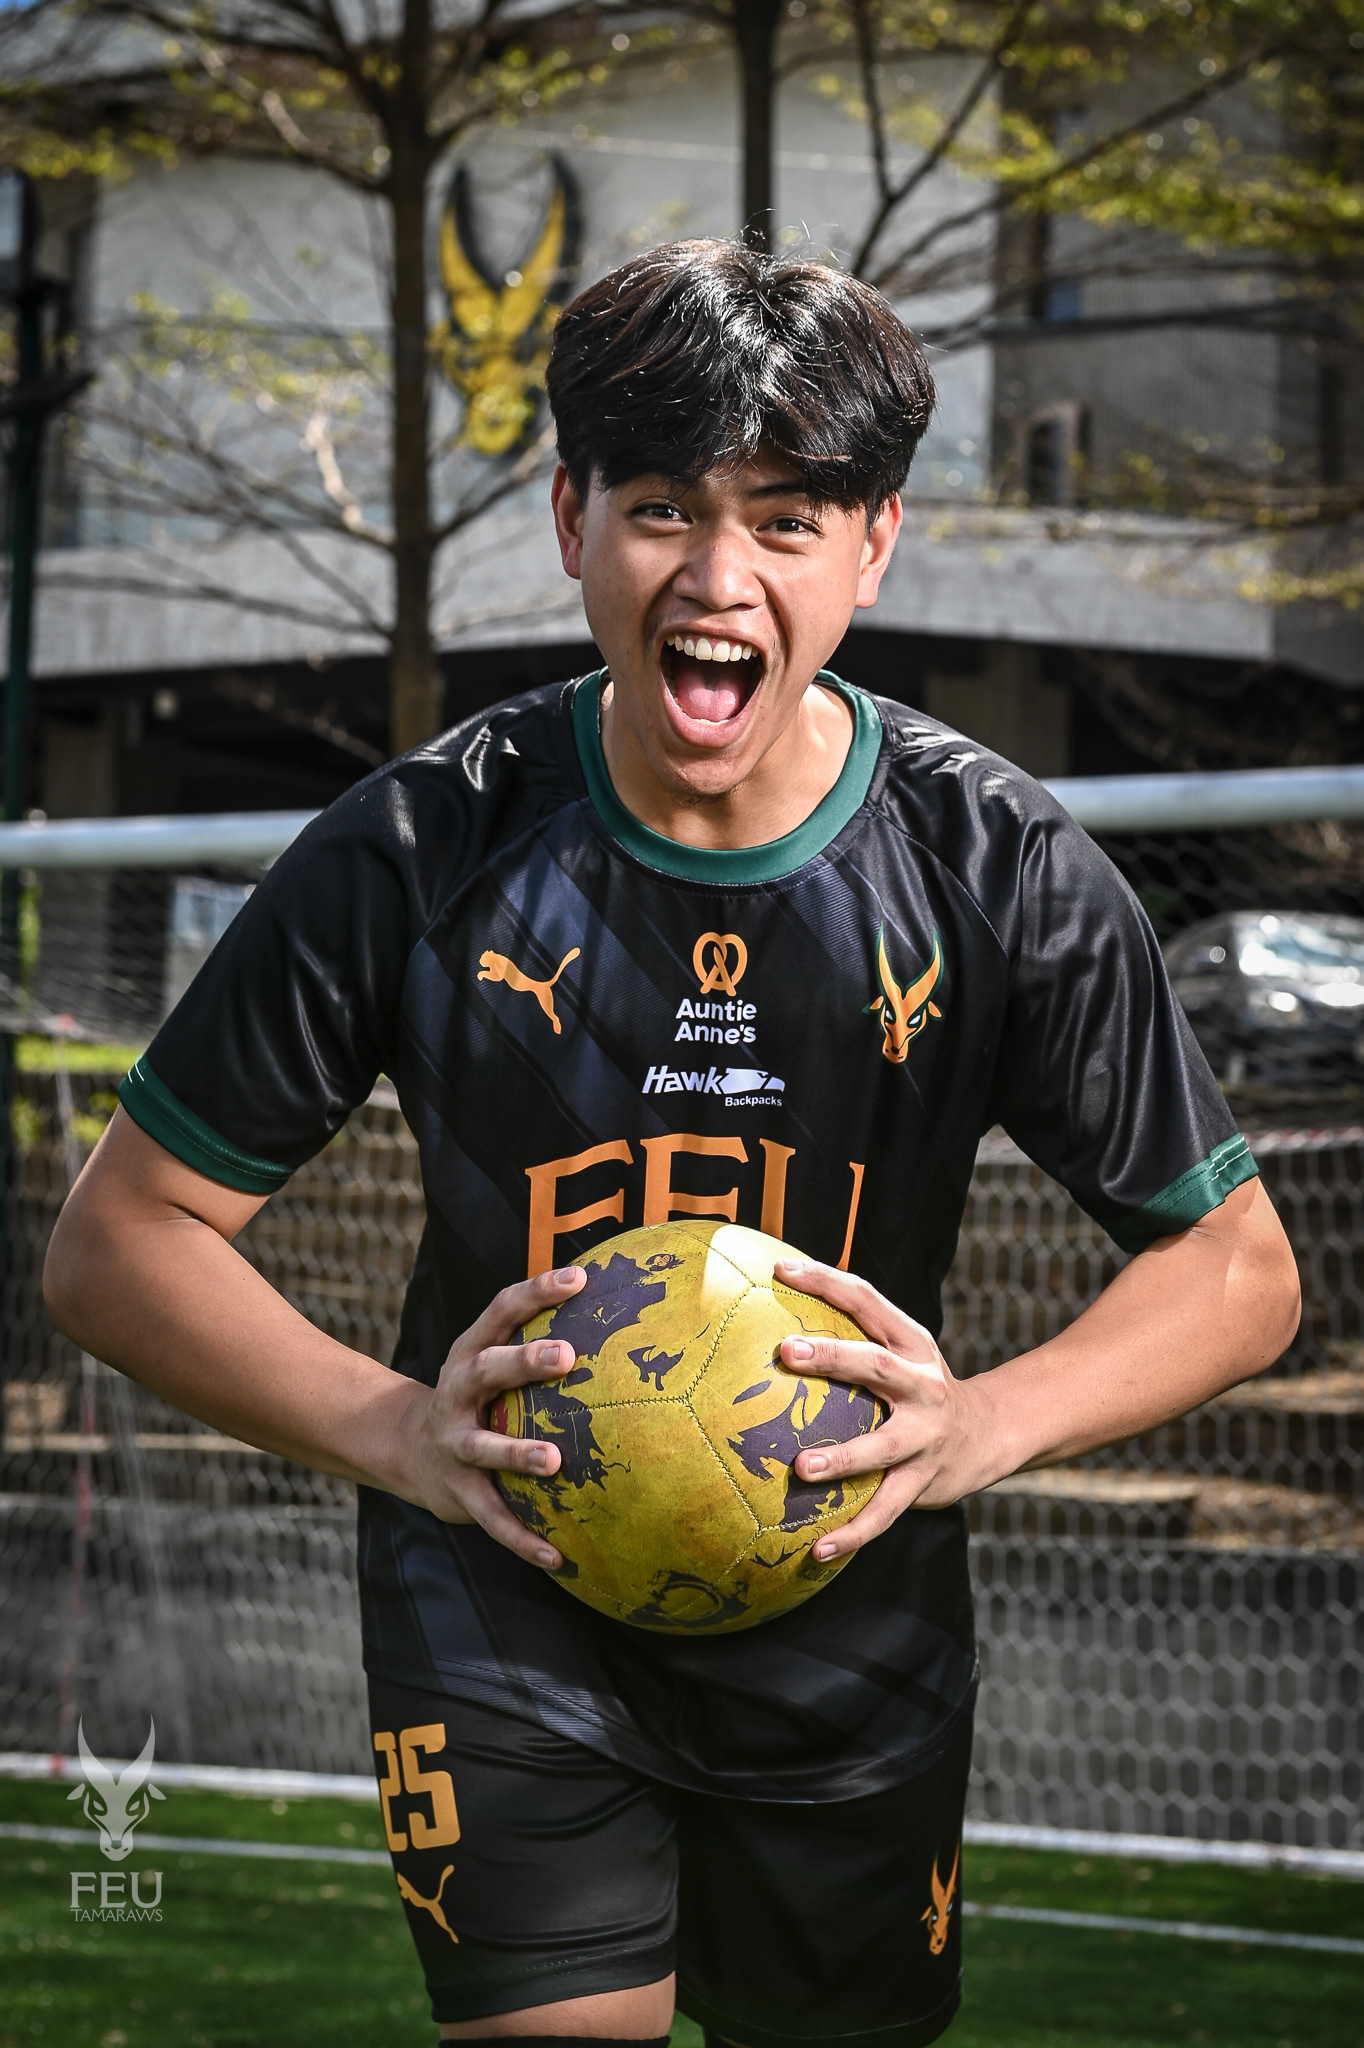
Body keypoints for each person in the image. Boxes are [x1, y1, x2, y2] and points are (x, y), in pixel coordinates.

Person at [45, 240, 1300, 2048]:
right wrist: (396, 1429)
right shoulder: (421, 847)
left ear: (876, 544)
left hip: (852, 1626)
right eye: (661, 510)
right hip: (504, 1600)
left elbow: (1240, 1270)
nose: (718, 578)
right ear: (570, 519)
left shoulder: (997, 866)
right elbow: (119, 1240)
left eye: (788, 521)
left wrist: (982, 1423)